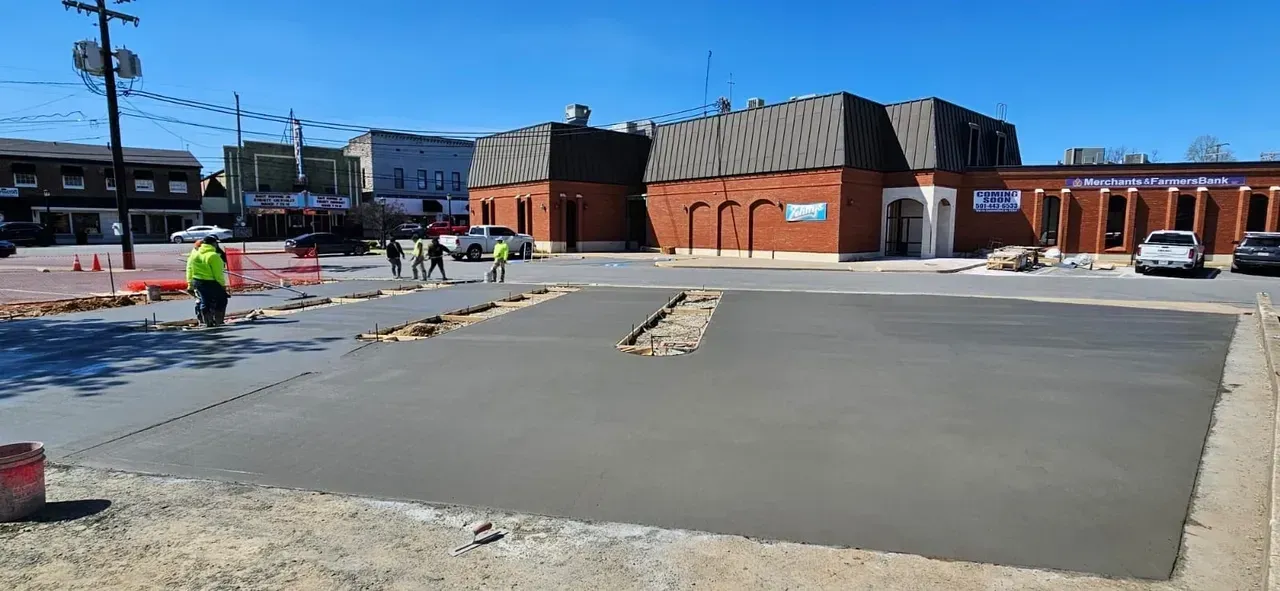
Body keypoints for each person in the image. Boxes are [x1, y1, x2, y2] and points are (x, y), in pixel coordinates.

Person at [186, 235, 229, 327]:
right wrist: (222, 285)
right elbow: (218, 273)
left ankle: (206, 322)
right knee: (221, 300)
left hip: (197, 281)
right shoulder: (213, 256)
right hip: (211, 282)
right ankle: (218, 321)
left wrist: (190, 283)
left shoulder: (195, 254)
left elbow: (190, 268)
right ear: (214, 243)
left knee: (205, 301)